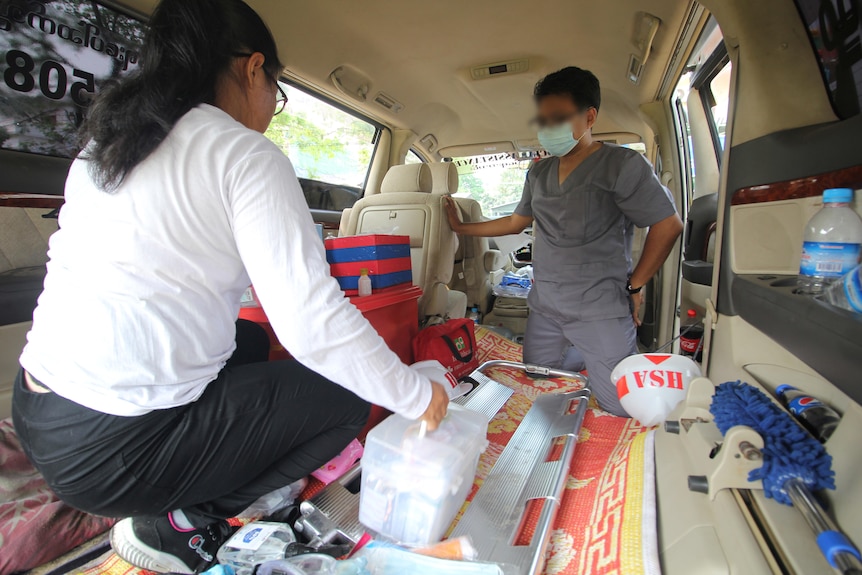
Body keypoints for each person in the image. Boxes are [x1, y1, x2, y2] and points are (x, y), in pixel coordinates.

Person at [11, 0, 449, 572]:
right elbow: (313, 323)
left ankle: (177, 492)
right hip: (113, 453)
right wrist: (419, 397)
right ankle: (177, 524)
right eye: (277, 90)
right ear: (251, 68)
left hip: (39, 412)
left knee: (244, 342)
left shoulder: (110, 147)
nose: (271, 107)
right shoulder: (244, 154)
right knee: (345, 400)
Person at [446, 66, 683, 417]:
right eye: (543, 120)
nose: (547, 129)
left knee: (619, 406)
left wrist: (636, 286)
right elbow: (516, 221)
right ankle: (589, 355)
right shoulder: (538, 172)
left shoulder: (621, 164)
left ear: (589, 117)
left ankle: (605, 355)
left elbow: (668, 224)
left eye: (557, 118)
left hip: (599, 307)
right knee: (536, 372)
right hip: (547, 304)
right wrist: (462, 228)